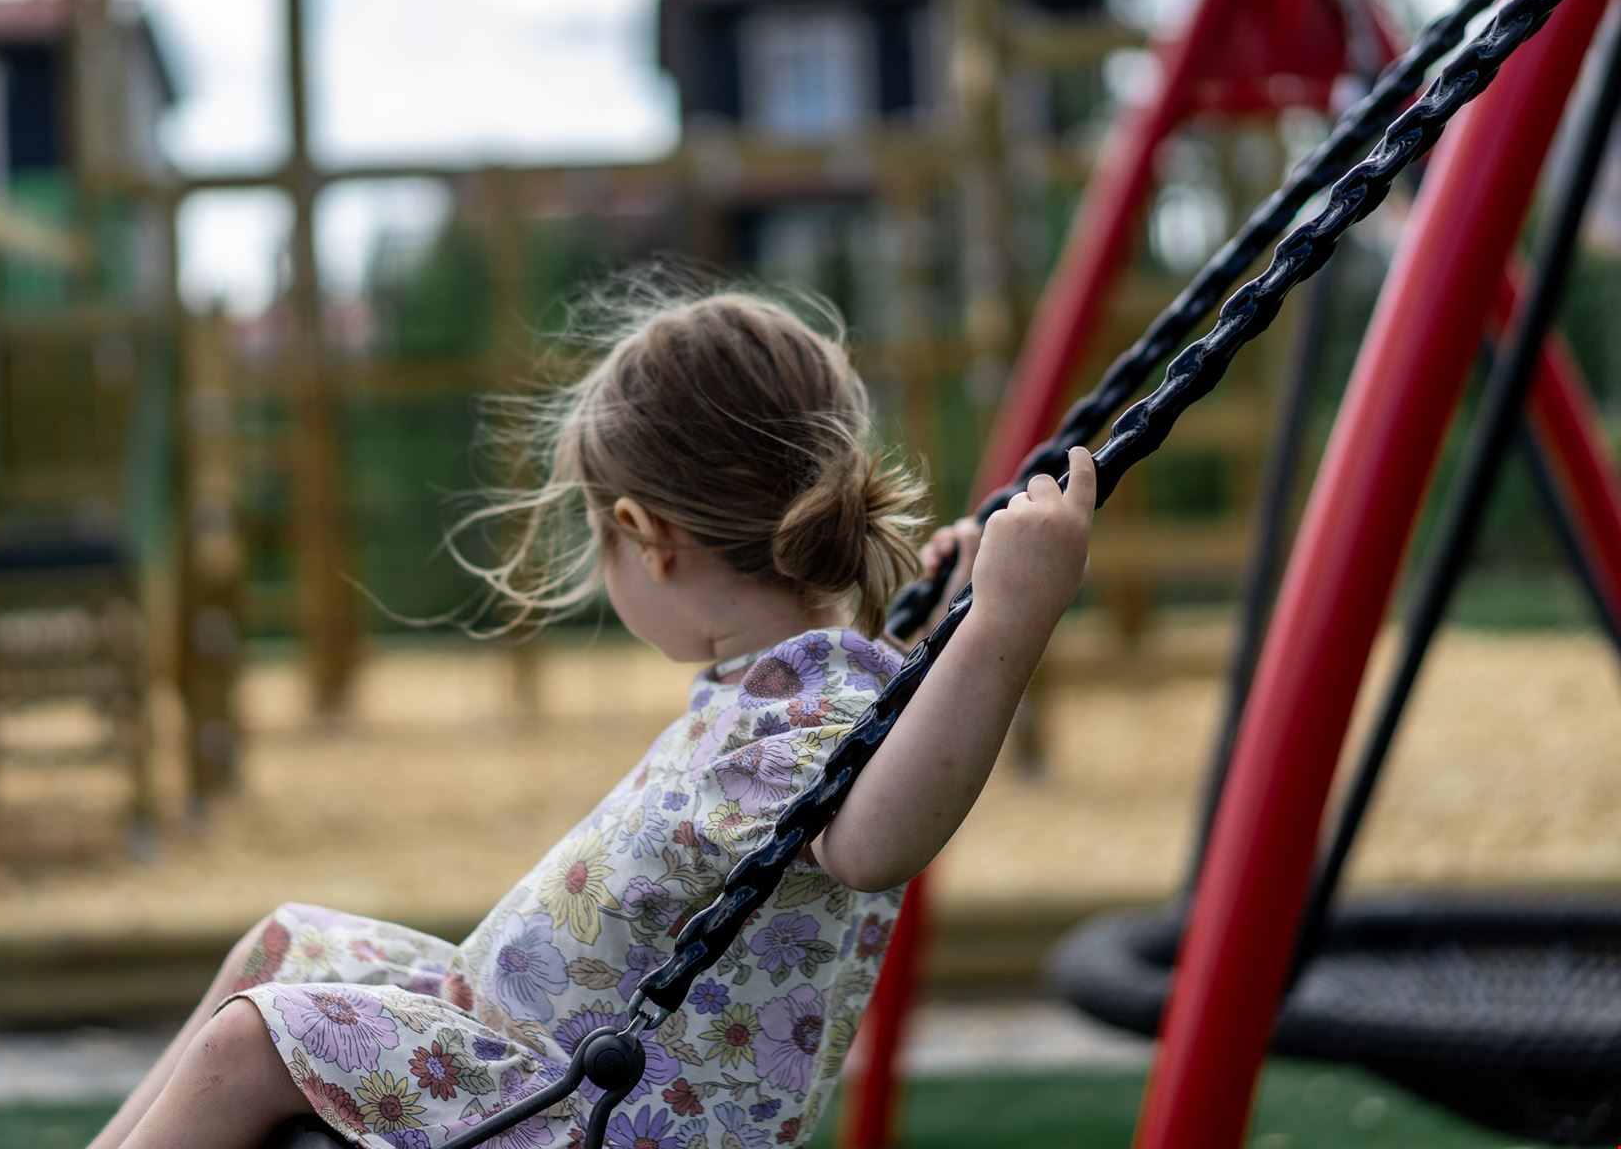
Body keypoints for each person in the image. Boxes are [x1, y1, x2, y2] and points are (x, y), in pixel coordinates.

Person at [89, 285, 1095, 1149]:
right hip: (538, 1050)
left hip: (599, 1109)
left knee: (252, 1040)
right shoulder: (797, 683)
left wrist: (1004, 625)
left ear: (645, 535)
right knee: (283, 943)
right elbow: (869, 736)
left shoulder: (810, 697)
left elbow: (876, 843)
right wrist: (954, 626)